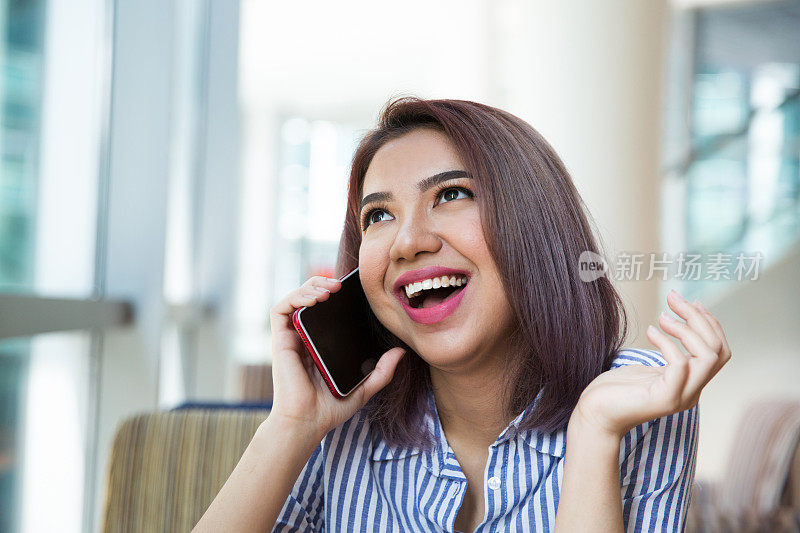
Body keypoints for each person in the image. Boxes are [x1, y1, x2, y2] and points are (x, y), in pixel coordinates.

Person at [193, 97, 732, 532]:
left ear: (534, 228)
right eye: (378, 215)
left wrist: (593, 434)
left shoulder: (636, 401)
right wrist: (290, 427)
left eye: (450, 194)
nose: (406, 242)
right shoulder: (341, 419)